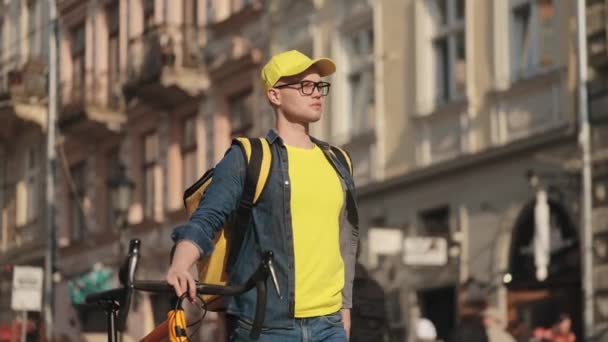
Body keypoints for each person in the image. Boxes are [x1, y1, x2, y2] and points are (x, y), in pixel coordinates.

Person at [166, 50, 359, 341]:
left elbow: (344, 241)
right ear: (275, 95)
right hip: (266, 327)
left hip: (328, 326)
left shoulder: (338, 160)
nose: (316, 93)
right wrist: (181, 263)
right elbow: (207, 219)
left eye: (320, 86)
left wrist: (345, 308)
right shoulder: (249, 156)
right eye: (305, 86)